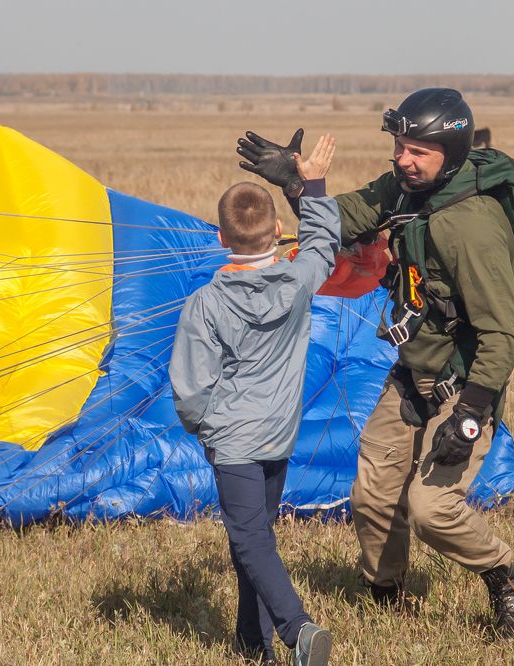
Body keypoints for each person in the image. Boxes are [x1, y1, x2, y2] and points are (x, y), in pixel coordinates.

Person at [236, 89, 514, 637]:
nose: (404, 159)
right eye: (400, 147)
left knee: (431, 509)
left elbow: (503, 331)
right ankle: (387, 599)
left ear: (449, 151)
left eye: (418, 151)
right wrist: (295, 184)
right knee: (371, 497)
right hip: (410, 377)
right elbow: (340, 220)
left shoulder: (470, 225)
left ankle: (508, 580)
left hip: (462, 385)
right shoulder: (404, 191)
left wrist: (469, 415)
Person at [170, 135, 340, 665]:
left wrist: (204, 430)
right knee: (255, 537)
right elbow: (323, 243)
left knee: (250, 541)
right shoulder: (297, 280)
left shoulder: (204, 304)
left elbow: (190, 387)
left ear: (220, 236)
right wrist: (310, 181)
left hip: (236, 442)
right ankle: (252, 643)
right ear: (276, 232)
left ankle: (298, 630)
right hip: (279, 436)